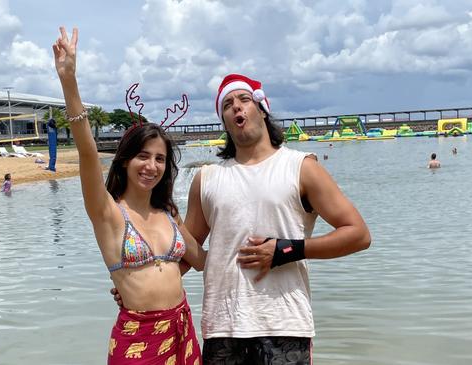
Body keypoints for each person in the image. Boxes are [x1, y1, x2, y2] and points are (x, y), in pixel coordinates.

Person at [114, 74, 371, 363]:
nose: (236, 107)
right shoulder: (207, 178)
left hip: (284, 324)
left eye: (244, 100)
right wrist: (142, 286)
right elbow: (190, 252)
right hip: (222, 327)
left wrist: (286, 249)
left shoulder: (300, 167)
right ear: (224, 121)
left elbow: (358, 234)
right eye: (227, 104)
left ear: (262, 109)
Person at [53, 27, 206, 364]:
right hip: (138, 337)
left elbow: (202, 261)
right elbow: (88, 152)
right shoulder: (107, 212)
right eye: (143, 156)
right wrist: (69, 80)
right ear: (124, 160)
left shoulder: (168, 212)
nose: (151, 166)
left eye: (160, 159)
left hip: (182, 329)